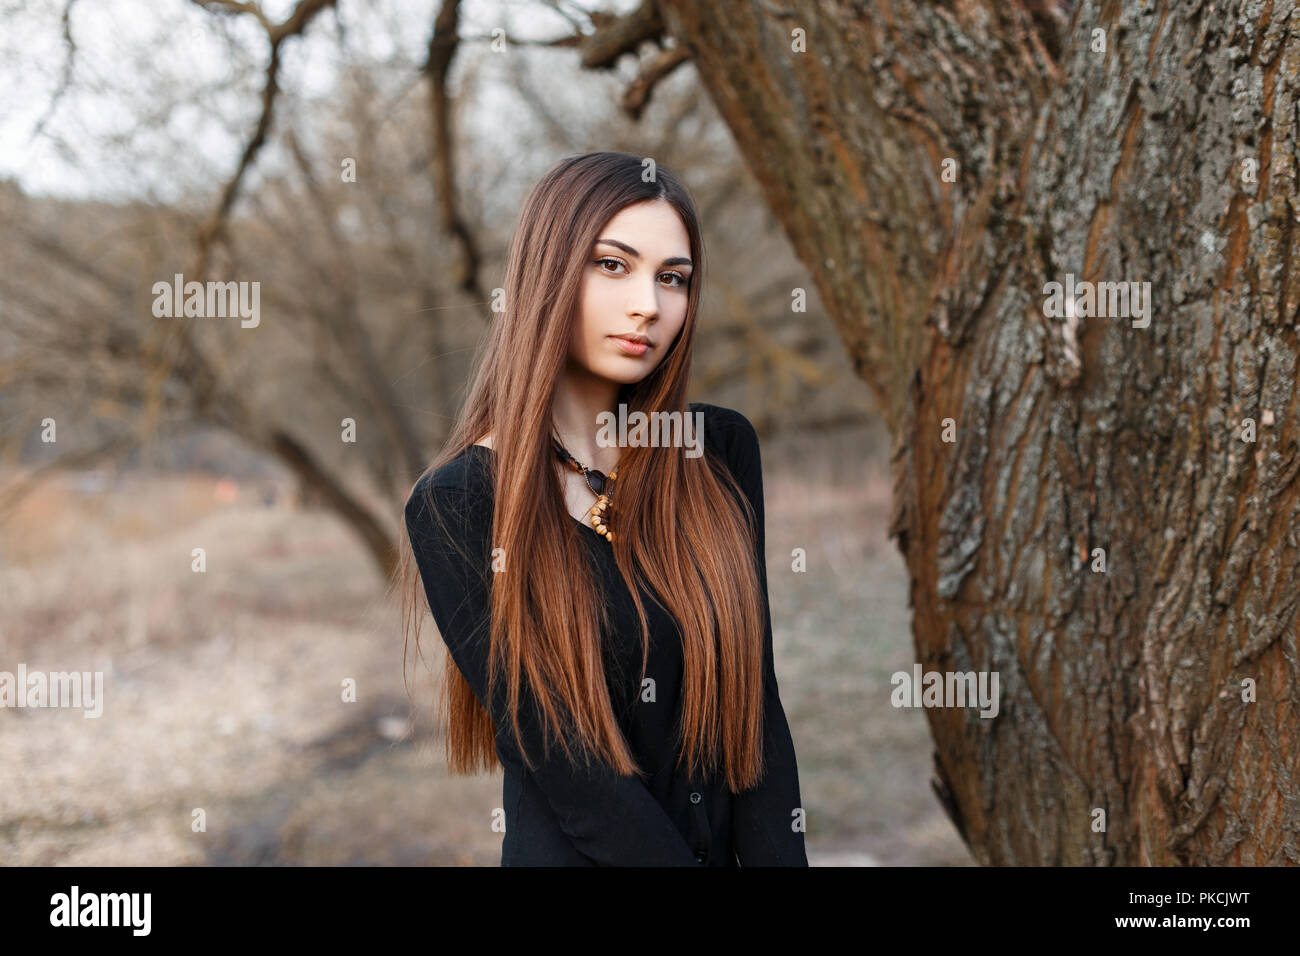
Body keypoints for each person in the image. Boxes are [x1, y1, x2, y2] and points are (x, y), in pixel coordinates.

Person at [398, 151, 807, 866]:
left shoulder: (717, 453)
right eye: (613, 265)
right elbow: (575, 774)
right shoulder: (458, 506)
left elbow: (756, 721)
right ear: (548, 271)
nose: (648, 303)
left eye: (672, 278)